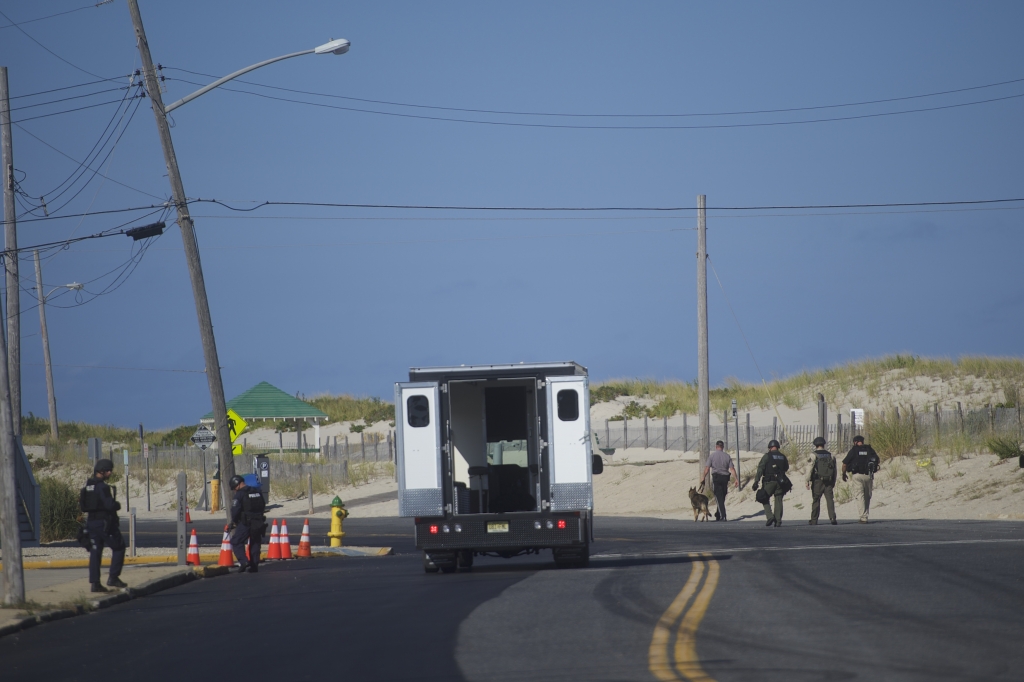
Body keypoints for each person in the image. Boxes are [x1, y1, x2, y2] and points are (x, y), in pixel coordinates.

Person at [79, 458, 127, 592]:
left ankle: (95, 583)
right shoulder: (103, 487)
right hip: (104, 524)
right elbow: (109, 505)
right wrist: (117, 505)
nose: (110, 473)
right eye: (108, 470)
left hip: (91, 523)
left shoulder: (88, 486)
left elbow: (83, 506)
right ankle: (113, 577)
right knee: (119, 547)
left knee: (95, 552)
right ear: (102, 471)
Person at [229, 474, 267, 573]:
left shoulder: (240, 494)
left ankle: (244, 561)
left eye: (234, 488)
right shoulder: (257, 491)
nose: (234, 490)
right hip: (258, 522)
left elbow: (235, 510)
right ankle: (254, 566)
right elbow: (263, 505)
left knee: (236, 541)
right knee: (255, 543)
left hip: (246, 522)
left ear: (237, 485)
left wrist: (234, 522)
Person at [842, 435, 880, 523]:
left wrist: (843, 474)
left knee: (860, 496)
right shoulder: (869, 449)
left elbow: (844, 464)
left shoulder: (854, 450)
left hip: (857, 476)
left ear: (855, 442)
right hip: (869, 476)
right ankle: (865, 514)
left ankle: (863, 517)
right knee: (867, 496)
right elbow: (877, 460)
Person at [752, 440, 789, 527]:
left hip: (769, 481)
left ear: (770, 447)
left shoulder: (767, 456)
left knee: (763, 497)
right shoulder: (783, 456)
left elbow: (760, 469)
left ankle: (770, 516)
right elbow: (786, 468)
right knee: (778, 500)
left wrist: (756, 481)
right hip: (780, 482)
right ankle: (778, 521)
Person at [701, 440, 739, 521]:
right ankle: (718, 513)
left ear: (716, 446)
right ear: (723, 447)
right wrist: (736, 479)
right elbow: (732, 469)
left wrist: (703, 477)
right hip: (725, 478)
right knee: (722, 495)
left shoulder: (712, 456)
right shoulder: (727, 456)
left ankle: (723, 515)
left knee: (719, 496)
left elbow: (707, 468)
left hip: (717, 477)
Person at [805, 436, 838, 525]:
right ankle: (832, 517)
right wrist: (833, 481)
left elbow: (809, 468)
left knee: (816, 500)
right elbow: (834, 470)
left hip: (817, 481)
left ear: (815, 445)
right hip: (829, 481)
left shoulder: (813, 455)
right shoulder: (830, 455)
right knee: (830, 499)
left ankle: (814, 520)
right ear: (824, 444)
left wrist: (807, 480)